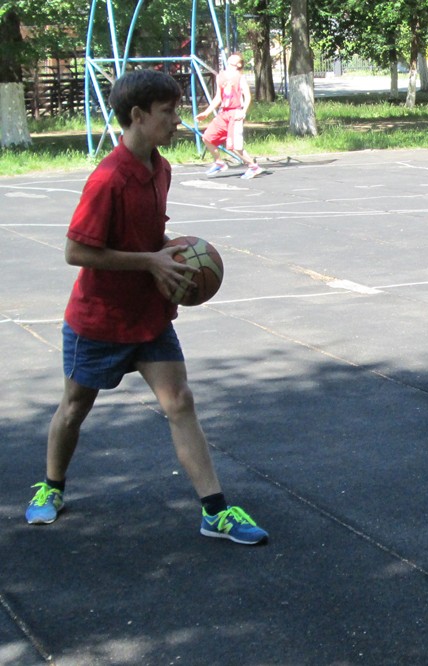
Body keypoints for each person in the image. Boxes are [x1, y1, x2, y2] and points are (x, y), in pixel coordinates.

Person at [24, 69, 268, 546]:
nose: (177, 120)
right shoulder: (108, 178)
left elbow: (147, 236)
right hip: (99, 319)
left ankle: (215, 511)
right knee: (74, 407)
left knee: (180, 401)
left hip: (149, 316)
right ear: (138, 116)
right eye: (168, 112)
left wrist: (172, 252)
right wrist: (150, 261)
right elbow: (76, 251)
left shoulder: (161, 168)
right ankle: (51, 486)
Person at [196, 53, 263, 179]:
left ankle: (253, 167)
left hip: (235, 113)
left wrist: (243, 111)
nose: (232, 57)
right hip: (223, 113)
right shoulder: (220, 76)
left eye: (235, 57)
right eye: (231, 56)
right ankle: (219, 163)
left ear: (239, 64)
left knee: (234, 147)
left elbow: (247, 96)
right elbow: (218, 97)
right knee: (207, 138)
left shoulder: (240, 77)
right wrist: (206, 112)